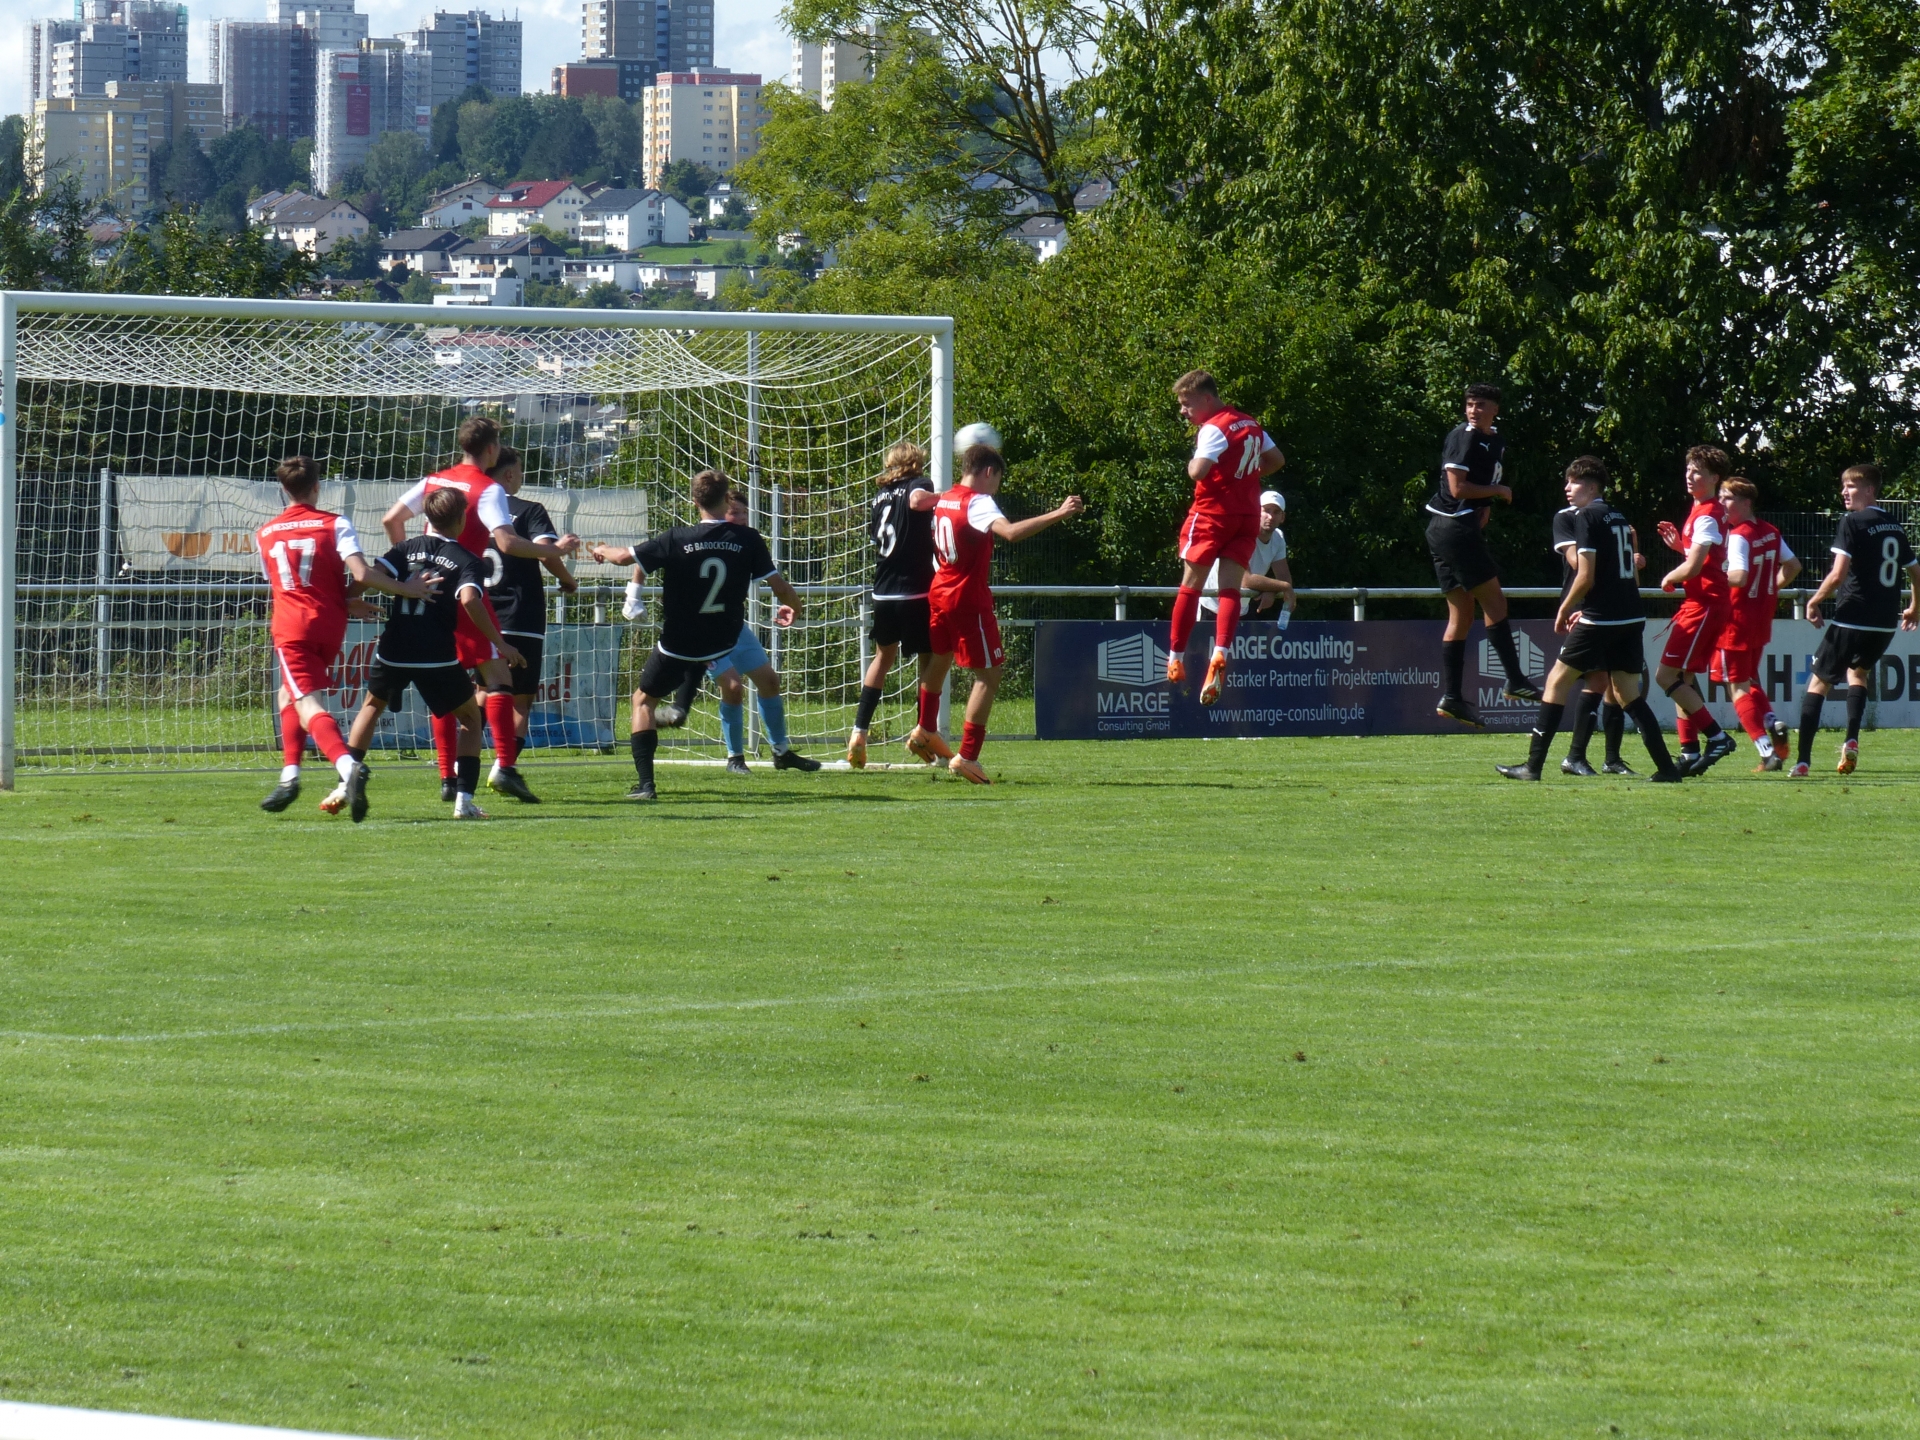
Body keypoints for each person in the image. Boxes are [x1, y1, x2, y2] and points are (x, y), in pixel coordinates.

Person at [381, 416, 578, 801]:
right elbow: (507, 543)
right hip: (467, 588)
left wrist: (415, 563)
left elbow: (392, 520)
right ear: (491, 449)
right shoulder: (488, 488)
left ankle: (446, 777)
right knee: (499, 678)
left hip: (430, 592)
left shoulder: (434, 479)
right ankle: (504, 767)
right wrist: (553, 551)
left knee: (446, 688)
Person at [588, 469, 807, 801]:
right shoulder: (747, 539)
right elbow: (780, 587)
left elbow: (622, 559)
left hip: (679, 643)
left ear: (694, 502)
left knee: (642, 701)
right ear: (725, 499)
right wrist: (792, 607)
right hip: (723, 639)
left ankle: (646, 784)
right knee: (730, 671)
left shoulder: (677, 538)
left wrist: (603, 548)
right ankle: (693, 717)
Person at [256, 456, 440, 814]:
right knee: (289, 695)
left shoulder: (266, 533)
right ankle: (289, 776)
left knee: (307, 703)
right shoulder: (335, 524)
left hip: (292, 626)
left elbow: (285, 586)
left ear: (283, 489)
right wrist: (384, 591)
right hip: (330, 624)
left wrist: (406, 588)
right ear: (316, 486)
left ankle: (347, 766)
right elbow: (362, 574)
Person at [338, 488, 524, 821]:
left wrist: (350, 602)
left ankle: (343, 783)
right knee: (469, 719)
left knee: (371, 707)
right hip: (436, 655)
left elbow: (363, 580)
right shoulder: (468, 559)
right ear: (463, 519)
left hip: (393, 649)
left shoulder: (403, 549)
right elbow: (469, 600)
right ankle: (464, 802)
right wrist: (501, 643)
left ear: (426, 518)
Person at [1496, 456, 1684, 783]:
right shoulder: (1618, 516)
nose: (1568, 488)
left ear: (1592, 486)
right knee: (1628, 692)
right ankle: (1667, 769)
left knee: (1557, 681)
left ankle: (1533, 767)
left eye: (1574, 482)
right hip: (1630, 616)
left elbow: (1585, 576)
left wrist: (1565, 607)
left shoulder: (1586, 517)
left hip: (1601, 618)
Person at [917, 444, 1082, 783]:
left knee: (941, 657)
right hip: (966, 596)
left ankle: (924, 729)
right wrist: (1059, 513)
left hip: (939, 590)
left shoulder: (945, 498)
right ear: (989, 472)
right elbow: (1009, 533)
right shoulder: (978, 501)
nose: (997, 489)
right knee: (989, 674)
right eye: (998, 481)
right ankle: (968, 756)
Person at [654, 488, 822, 775]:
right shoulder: (699, 540)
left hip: (734, 628)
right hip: (705, 632)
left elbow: (775, 582)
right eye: (735, 512)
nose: (742, 518)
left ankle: (781, 752)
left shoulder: (744, 542)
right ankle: (735, 757)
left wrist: (790, 604)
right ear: (720, 511)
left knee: (769, 681)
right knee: (732, 686)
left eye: (745, 513)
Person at [1426, 382, 1542, 727]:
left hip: (1450, 528)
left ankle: (1452, 697)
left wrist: (1486, 502)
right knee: (1496, 603)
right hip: (1453, 527)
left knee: (1461, 613)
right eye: (1470, 404)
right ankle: (1515, 680)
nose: (1473, 410)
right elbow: (1457, 488)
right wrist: (1497, 491)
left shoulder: (1495, 440)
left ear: (1495, 408)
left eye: (1481, 405)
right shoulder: (1465, 436)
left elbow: (1474, 489)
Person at [1794, 463, 1919, 776]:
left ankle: (1803, 762)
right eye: (1843, 486)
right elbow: (1916, 572)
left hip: (1853, 617)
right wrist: (1915, 608)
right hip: (1884, 623)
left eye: (1851, 486)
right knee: (1858, 674)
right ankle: (1850, 740)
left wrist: (1815, 600)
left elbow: (1838, 574)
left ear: (1870, 490)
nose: (1844, 492)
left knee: (1818, 680)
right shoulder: (1894, 525)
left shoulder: (1852, 522)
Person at [1166, 370, 1284, 705]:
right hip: (1246, 516)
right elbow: (1276, 460)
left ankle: (1175, 656)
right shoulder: (1249, 423)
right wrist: (1244, 474)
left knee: (1192, 585)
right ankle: (1220, 652)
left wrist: (1196, 461)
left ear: (1206, 398)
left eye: (1186, 404)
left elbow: (1198, 471)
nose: (1183, 411)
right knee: (1231, 589)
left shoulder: (1212, 428)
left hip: (1212, 515)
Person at [478, 445, 578, 803]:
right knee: (520, 699)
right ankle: (503, 767)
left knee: (481, 691)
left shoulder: (472, 512)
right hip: (519, 615)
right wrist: (567, 579)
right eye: (519, 471)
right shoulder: (527, 510)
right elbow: (545, 552)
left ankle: (460, 765)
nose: (521, 477)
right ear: (508, 475)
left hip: (477, 613)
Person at [849, 440, 940, 768]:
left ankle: (859, 730)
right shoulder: (920, 485)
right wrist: (950, 497)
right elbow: (917, 501)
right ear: (916, 462)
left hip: (882, 592)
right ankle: (922, 731)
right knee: (931, 657)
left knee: (882, 658)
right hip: (915, 591)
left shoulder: (879, 496)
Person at [1652, 445, 1738, 775]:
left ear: (1715, 478)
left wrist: (1671, 575)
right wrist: (1681, 547)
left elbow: (1696, 565)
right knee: (1682, 679)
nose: (1689, 475)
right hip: (1702, 604)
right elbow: (1701, 556)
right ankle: (1688, 752)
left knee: (1666, 677)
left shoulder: (1707, 513)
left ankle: (1717, 737)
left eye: (1697, 471)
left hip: (1704, 605)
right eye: (1688, 469)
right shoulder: (1701, 509)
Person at [1549, 486, 1639, 776]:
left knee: (1615, 686)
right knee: (1597, 680)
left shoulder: (1608, 517)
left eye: (1572, 481)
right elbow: (1579, 563)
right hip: (1587, 607)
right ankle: (1575, 756)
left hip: (1610, 608)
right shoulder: (1566, 518)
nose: (1566, 488)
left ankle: (1612, 759)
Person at [1712, 478, 1800, 771]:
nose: (1722, 503)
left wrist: (1707, 580)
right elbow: (1793, 566)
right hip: (1760, 619)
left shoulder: (1739, 536)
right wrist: (1771, 589)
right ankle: (1773, 722)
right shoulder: (1770, 532)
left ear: (1746, 503)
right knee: (1748, 681)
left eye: (1728, 498)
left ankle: (1766, 752)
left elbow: (1737, 576)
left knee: (1736, 689)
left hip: (1735, 620)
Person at [1198, 490, 1295, 633]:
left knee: (1233, 655)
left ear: (1282, 517)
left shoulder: (1278, 538)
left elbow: (1284, 576)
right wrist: (1283, 587)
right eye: (1266, 510)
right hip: (1211, 607)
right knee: (1200, 655)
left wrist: (1273, 590)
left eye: (1276, 512)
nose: (1270, 516)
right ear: (1257, 512)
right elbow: (1245, 580)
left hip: (1242, 610)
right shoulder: (1243, 533)